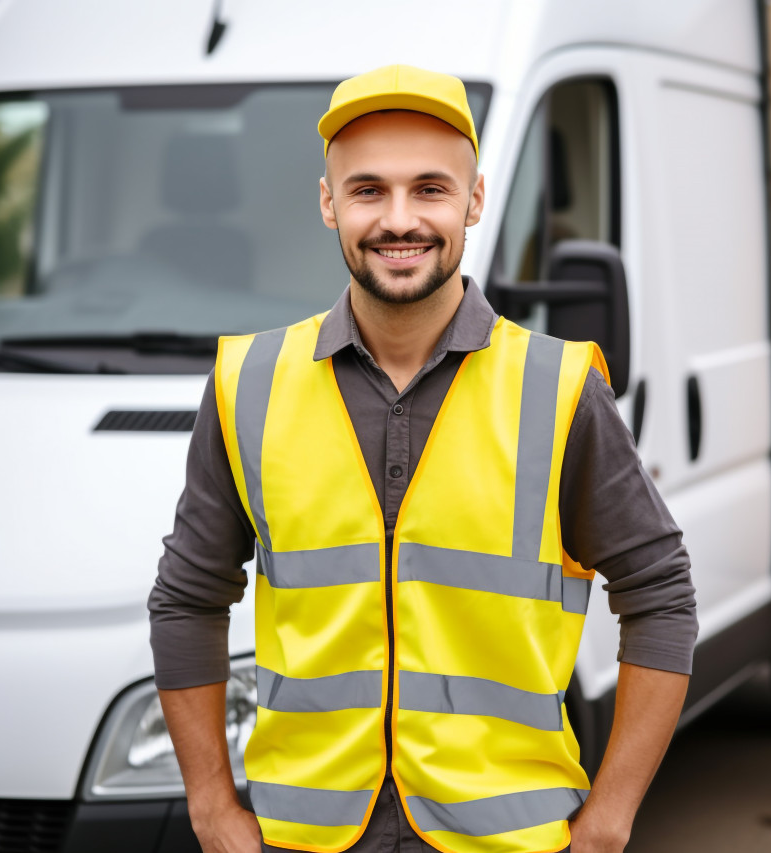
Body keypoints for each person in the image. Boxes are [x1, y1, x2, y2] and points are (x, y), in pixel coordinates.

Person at [148, 64, 697, 853]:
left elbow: (662, 596)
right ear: (328, 202)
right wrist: (210, 806)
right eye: (368, 190)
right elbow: (187, 599)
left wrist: (609, 820)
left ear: (474, 201)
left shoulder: (559, 386)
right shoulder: (249, 384)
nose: (398, 219)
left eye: (430, 189)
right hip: (299, 837)